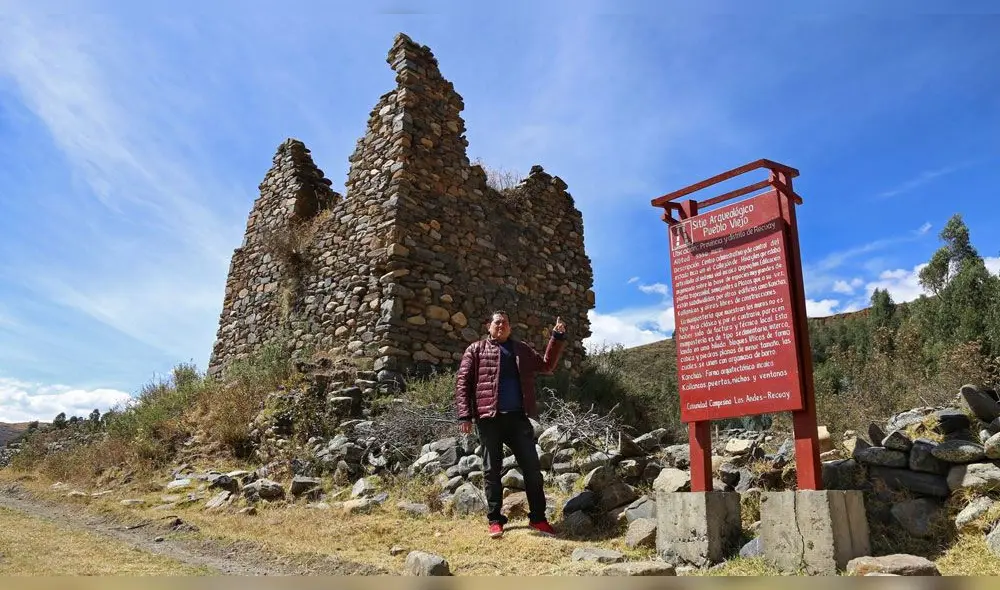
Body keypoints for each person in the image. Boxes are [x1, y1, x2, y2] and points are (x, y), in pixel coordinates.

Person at [454, 310, 567, 539]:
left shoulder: (521, 349)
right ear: (488, 326)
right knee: (491, 471)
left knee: (533, 470)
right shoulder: (475, 350)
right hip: (488, 419)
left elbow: (546, 366)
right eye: (497, 322)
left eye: (505, 323)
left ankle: (538, 518)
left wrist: (556, 338)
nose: (501, 326)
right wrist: (465, 416)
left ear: (510, 328)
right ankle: (495, 520)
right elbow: (463, 383)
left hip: (518, 418)